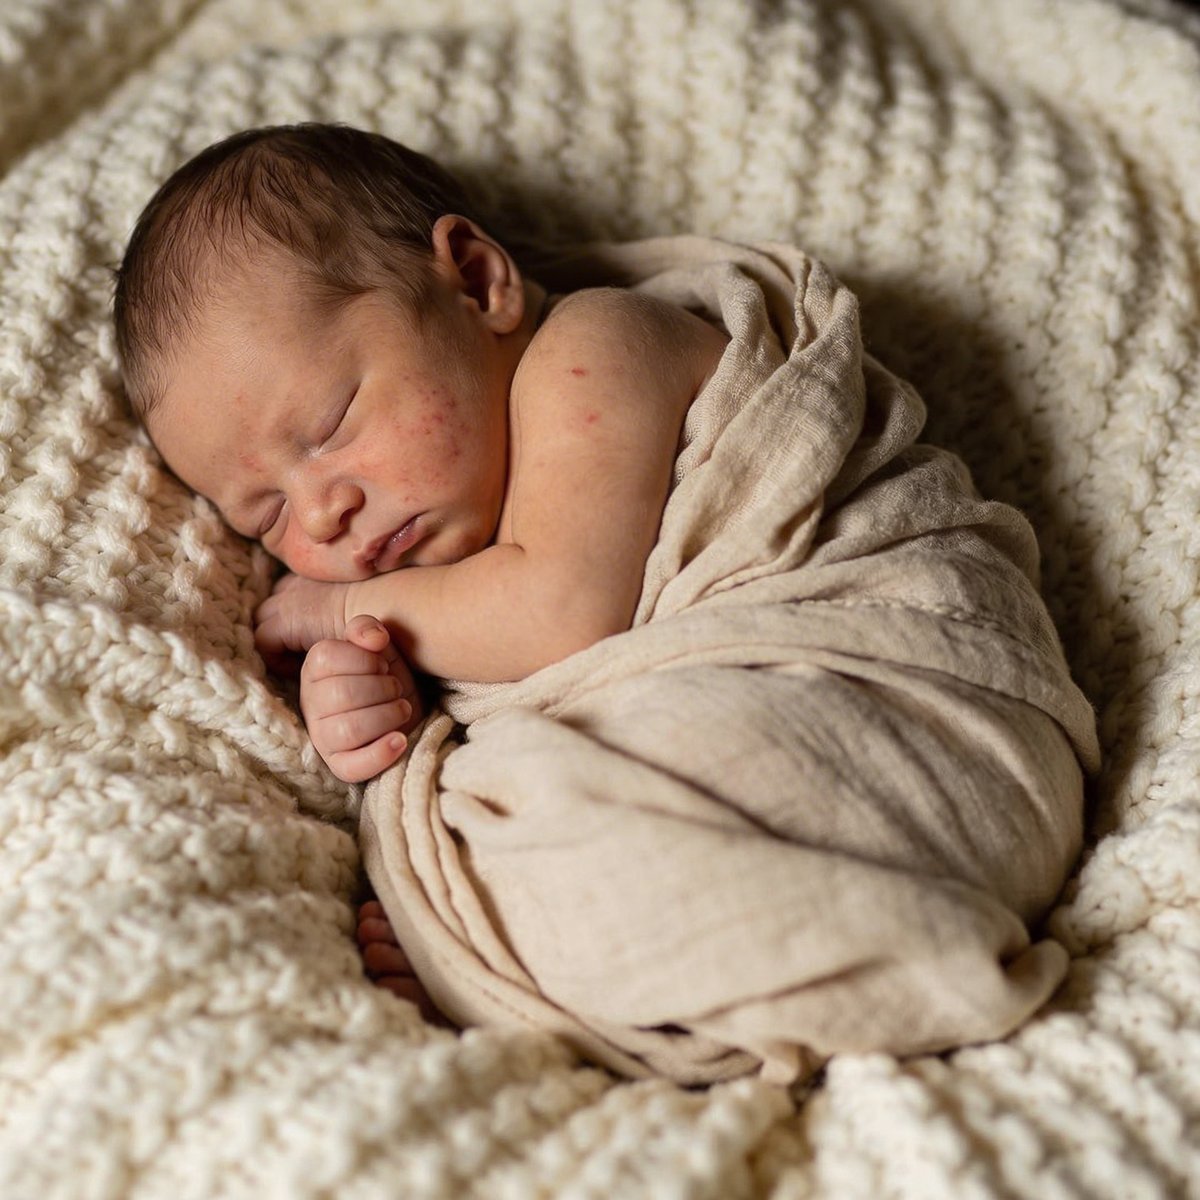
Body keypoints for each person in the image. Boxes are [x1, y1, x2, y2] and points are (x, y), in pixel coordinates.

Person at [113, 122, 727, 1008]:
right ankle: (541, 976)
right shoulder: (444, 563)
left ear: (476, 284)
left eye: (330, 426)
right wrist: (366, 701)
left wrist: (343, 606)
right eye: (267, 513)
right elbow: (498, 678)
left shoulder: (600, 347)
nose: (322, 512)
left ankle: (559, 981)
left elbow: (560, 614)